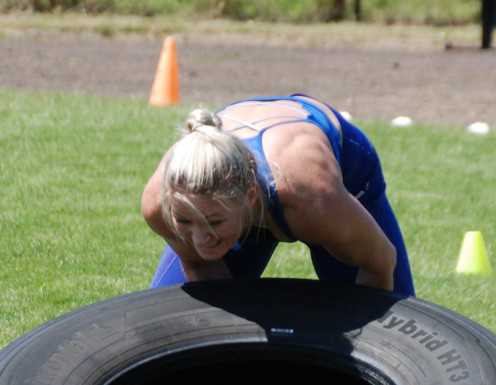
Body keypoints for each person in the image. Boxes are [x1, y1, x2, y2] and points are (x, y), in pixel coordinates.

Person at [141, 94, 415, 296]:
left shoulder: (313, 199)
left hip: (335, 172)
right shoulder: (161, 204)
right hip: (247, 186)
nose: (199, 238)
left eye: (212, 222)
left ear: (249, 195)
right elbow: (207, 281)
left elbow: (380, 263)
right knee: (173, 321)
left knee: (402, 325)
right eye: (185, 221)